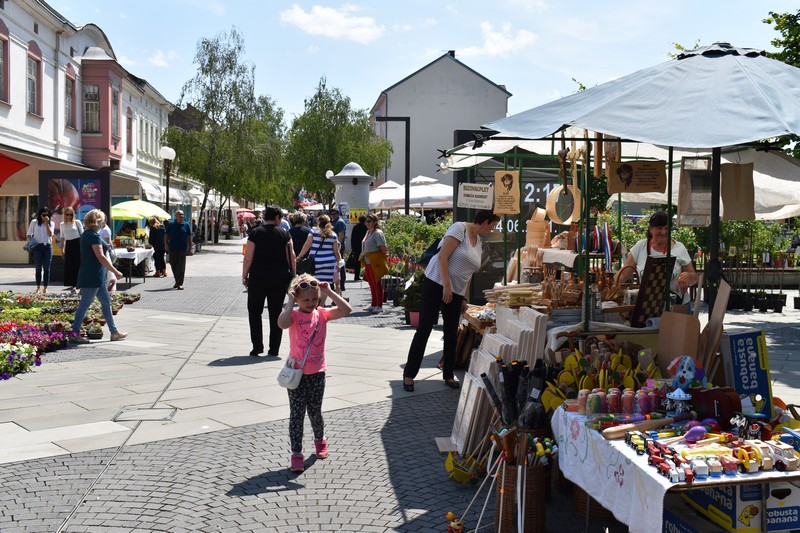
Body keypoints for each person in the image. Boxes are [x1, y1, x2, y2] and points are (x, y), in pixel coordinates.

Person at [402, 209, 500, 392]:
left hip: (456, 290)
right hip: (436, 282)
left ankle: (448, 374)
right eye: (493, 225)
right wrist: (446, 286)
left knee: (451, 332)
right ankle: (409, 374)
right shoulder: (459, 229)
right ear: (485, 222)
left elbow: (469, 273)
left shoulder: (478, 241)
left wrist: (463, 297)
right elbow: (442, 257)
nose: (493, 229)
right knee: (425, 328)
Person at [277, 273, 352, 473]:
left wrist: (329, 292)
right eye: (306, 300)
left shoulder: (322, 314)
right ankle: (296, 454)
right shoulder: (294, 316)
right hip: (297, 375)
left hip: (318, 373)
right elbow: (281, 323)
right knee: (296, 415)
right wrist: (290, 302)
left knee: (315, 412)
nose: (311, 303)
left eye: (314, 299)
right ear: (297, 299)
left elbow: (346, 309)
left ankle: (320, 440)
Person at [243, 205, 295, 357]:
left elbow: (248, 257)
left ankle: (257, 347)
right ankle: (274, 349)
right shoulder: (284, 233)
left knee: (254, 312)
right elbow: (291, 256)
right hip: (279, 278)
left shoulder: (255, 233)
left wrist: (244, 275)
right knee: (276, 313)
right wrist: (294, 275)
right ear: (277, 217)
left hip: (257, 277)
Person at [68, 209, 127, 344]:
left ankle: (114, 332)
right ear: (97, 221)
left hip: (97, 276)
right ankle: (74, 334)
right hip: (92, 276)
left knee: (106, 302)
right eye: (102, 220)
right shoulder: (92, 236)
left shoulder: (89, 234)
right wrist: (115, 271)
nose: (103, 222)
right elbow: (100, 256)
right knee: (85, 304)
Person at [615, 210, 698, 304]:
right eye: (659, 228)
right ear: (650, 229)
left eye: (666, 228)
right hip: (648, 305)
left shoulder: (679, 248)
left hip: (677, 306)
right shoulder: (640, 247)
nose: (663, 232)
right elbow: (624, 274)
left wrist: (688, 276)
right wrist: (610, 285)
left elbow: (694, 277)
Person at [296, 214, 340, 306]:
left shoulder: (313, 231)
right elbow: (336, 251)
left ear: (318, 222)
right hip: (329, 262)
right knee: (324, 285)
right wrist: (338, 263)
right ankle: (321, 306)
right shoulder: (333, 234)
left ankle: (315, 306)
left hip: (316, 262)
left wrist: (299, 256)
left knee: (314, 284)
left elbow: (307, 245)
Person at [360, 214, 389, 313]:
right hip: (368, 261)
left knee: (377, 283)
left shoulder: (378, 233)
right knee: (372, 283)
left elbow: (383, 247)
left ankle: (379, 306)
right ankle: (373, 304)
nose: (367, 223)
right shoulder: (368, 232)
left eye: (369, 221)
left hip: (375, 261)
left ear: (375, 222)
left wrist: (383, 257)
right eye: (366, 221)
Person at [27, 206, 55, 294]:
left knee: (47, 268)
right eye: (43, 215)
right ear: (40, 215)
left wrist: (46, 223)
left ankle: (45, 288)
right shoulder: (34, 222)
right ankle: (38, 287)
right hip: (37, 247)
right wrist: (32, 242)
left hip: (47, 247)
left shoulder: (51, 223)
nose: (45, 217)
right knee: (38, 267)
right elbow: (29, 234)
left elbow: (50, 234)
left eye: (47, 215)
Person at [164, 210, 193, 290]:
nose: (181, 216)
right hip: (172, 248)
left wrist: (190, 248)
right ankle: (177, 281)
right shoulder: (171, 224)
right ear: (176, 216)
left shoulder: (186, 225)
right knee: (173, 265)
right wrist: (166, 245)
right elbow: (166, 235)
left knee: (181, 266)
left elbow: (189, 237)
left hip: (182, 249)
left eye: (182, 214)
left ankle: (179, 283)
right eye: (180, 215)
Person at [59, 206, 83, 293]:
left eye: (71, 214)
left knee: (78, 265)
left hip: (77, 244)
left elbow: (82, 235)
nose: (69, 216)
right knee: (70, 266)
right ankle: (73, 286)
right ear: (65, 215)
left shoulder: (77, 222)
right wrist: (62, 250)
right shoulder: (62, 224)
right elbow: (62, 238)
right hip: (69, 245)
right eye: (67, 214)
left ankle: (80, 285)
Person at [329, 209, 347, 292]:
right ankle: (334, 284)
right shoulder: (333, 222)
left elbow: (341, 235)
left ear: (338, 213)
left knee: (340, 264)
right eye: (331, 213)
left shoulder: (339, 222)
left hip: (338, 247)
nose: (333, 215)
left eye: (334, 213)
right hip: (333, 246)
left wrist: (338, 246)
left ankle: (342, 284)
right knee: (335, 264)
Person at [348, 215, 368, 281]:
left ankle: (356, 276)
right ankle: (366, 276)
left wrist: (353, 248)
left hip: (357, 247)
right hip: (365, 247)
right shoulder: (366, 227)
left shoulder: (355, 227)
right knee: (367, 261)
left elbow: (353, 238)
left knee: (357, 262)